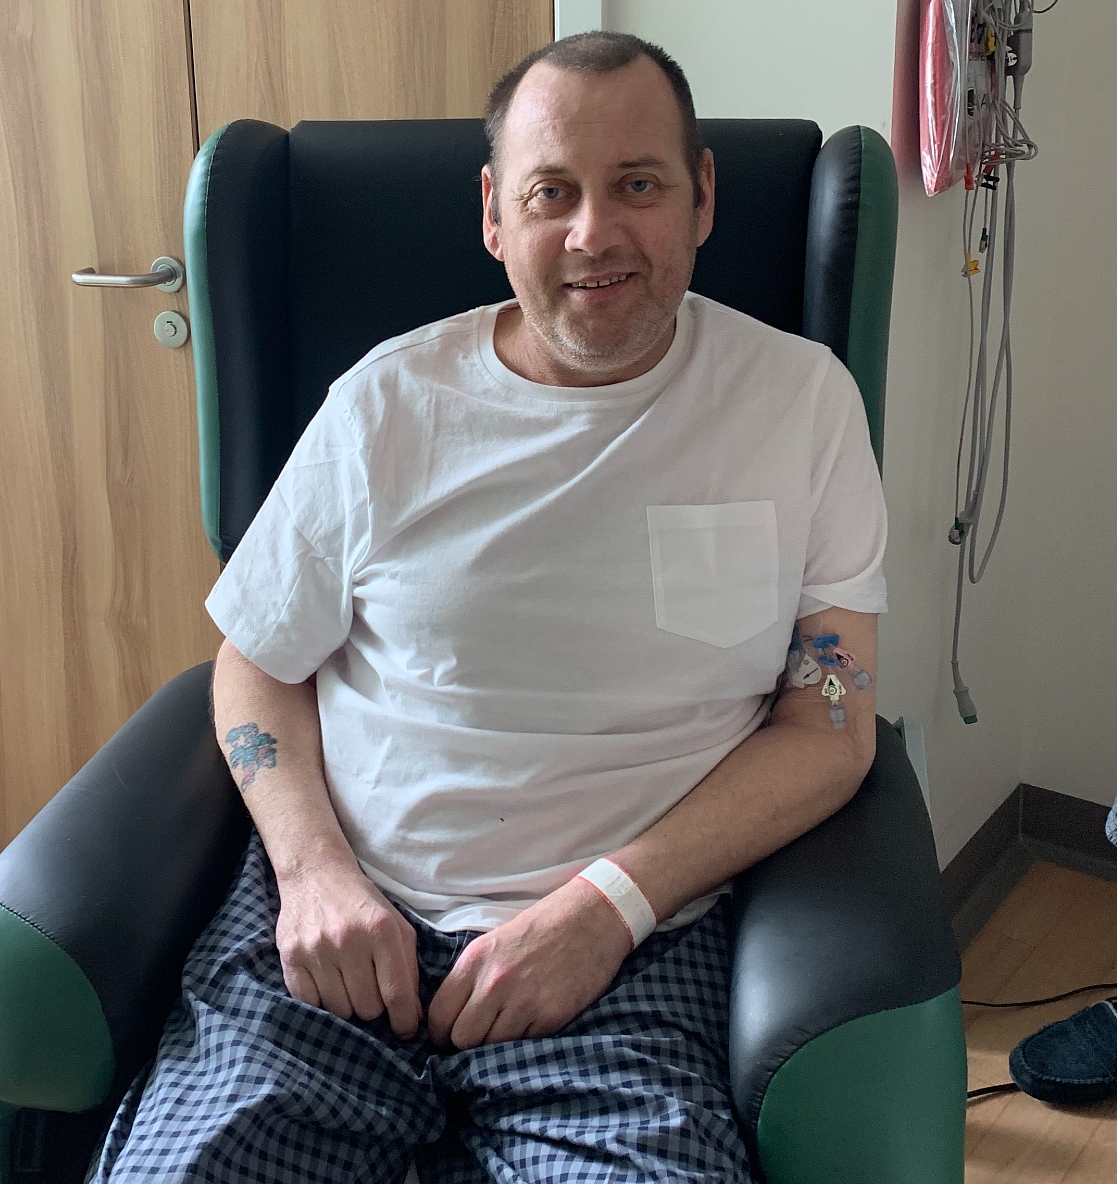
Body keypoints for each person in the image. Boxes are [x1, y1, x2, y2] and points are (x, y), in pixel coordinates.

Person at [87, 30, 887, 1184]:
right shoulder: (384, 405)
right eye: (551, 191)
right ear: (493, 215)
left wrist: (605, 906)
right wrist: (313, 874)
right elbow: (256, 664)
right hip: (339, 945)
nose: (594, 234)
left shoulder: (803, 408)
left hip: (629, 960)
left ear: (704, 194)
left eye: (640, 185)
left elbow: (829, 723)